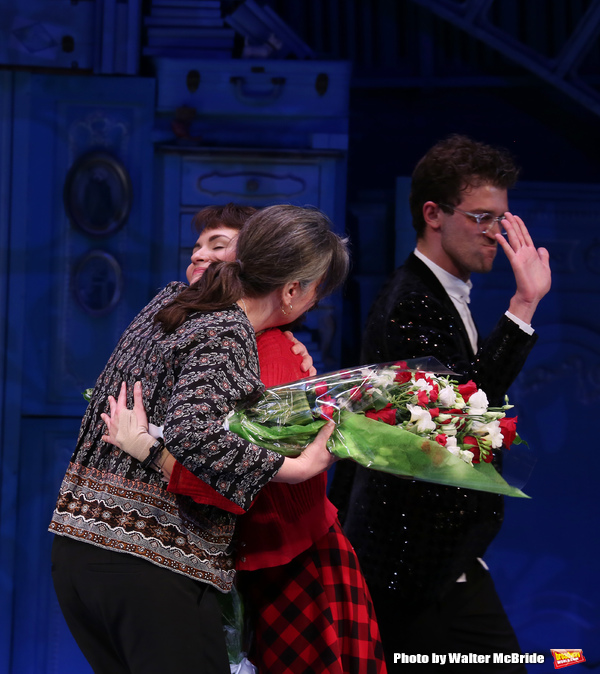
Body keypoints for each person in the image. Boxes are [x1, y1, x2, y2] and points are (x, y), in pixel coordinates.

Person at [49, 203, 349, 674]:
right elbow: (198, 437)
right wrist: (298, 469)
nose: (314, 304)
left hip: (79, 555)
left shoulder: (172, 302)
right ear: (292, 290)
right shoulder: (228, 330)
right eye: (316, 292)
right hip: (151, 562)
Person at [329, 134, 551, 672]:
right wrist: (524, 305)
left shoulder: (443, 295)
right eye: (481, 217)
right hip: (408, 565)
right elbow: (457, 413)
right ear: (433, 214)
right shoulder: (410, 304)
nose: (496, 234)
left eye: (501, 218)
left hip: (441, 560)